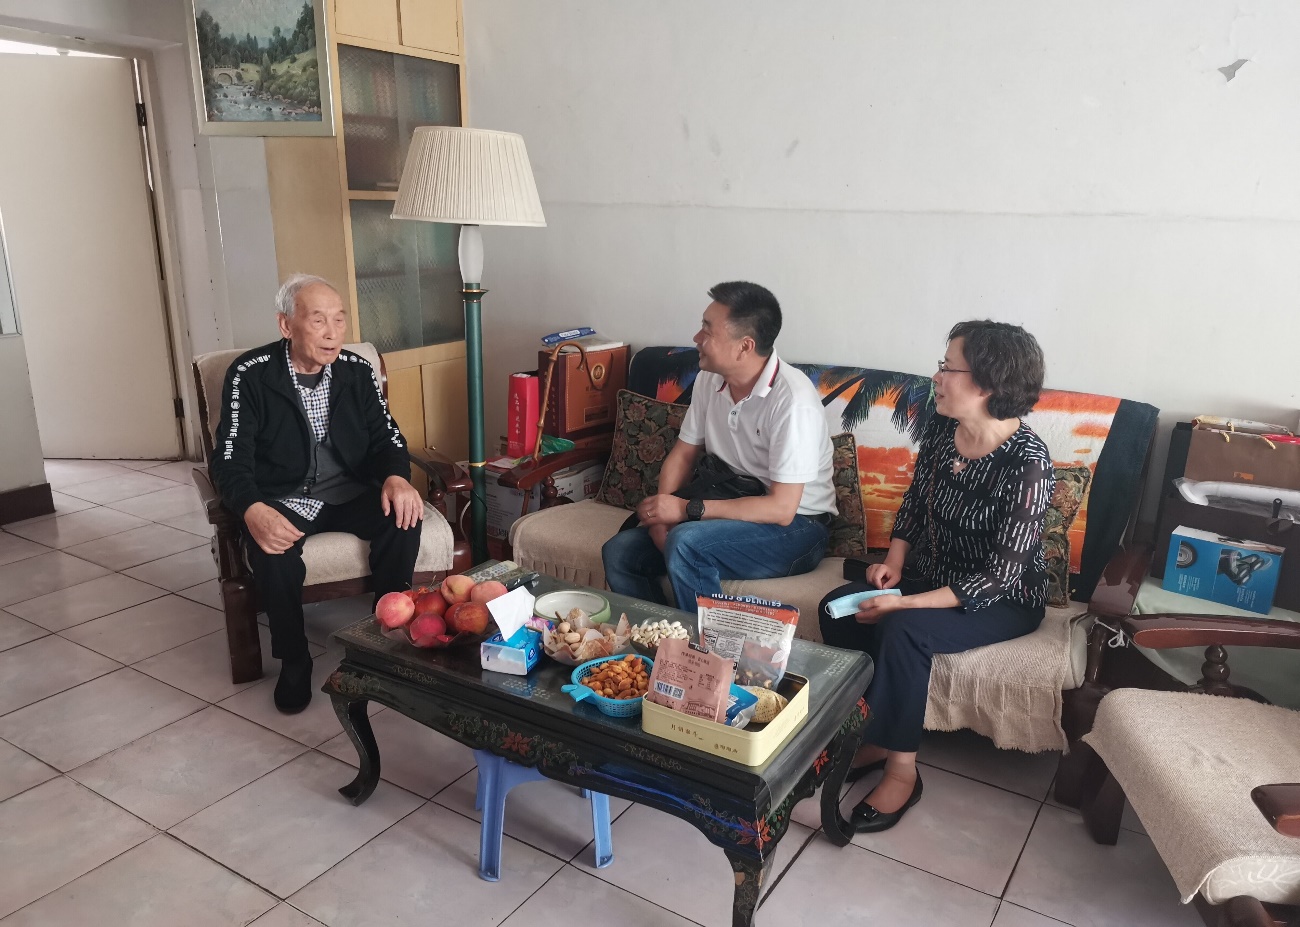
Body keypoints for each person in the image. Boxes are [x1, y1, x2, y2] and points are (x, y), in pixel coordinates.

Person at [818, 320, 1053, 834]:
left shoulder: (1028, 464)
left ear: (987, 383)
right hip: (935, 573)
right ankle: (875, 736)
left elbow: (998, 577)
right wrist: (894, 564)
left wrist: (902, 603)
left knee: (904, 628)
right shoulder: (945, 432)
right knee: (838, 608)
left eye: (948, 368)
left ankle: (902, 770)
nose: (937, 377)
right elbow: (913, 507)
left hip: (1004, 597)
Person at [209, 274, 424, 714]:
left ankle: (384, 638)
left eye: (339, 320)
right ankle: (294, 659)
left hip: (350, 490)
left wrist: (396, 477)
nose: (332, 333)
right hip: (284, 497)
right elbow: (229, 458)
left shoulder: (356, 370)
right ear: (286, 325)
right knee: (272, 552)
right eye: (318, 320)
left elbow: (387, 437)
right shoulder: (251, 374)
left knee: (403, 519)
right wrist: (251, 508)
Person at [601, 281, 837, 610]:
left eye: (707, 330)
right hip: (730, 503)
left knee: (686, 543)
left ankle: (708, 644)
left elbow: (782, 509)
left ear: (744, 346)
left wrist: (686, 510)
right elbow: (684, 454)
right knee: (620, 552)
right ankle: (659, 637)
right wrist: (662, 515)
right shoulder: (710, 378)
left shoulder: (793, 401)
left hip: (798, 528)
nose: (696, 338)